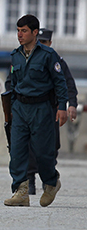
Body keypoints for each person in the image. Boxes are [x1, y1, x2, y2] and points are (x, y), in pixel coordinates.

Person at [4, 14, 68, 207]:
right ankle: (21, 191)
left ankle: (50, 183)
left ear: (34, 33)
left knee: (43, 152)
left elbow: (60, 82)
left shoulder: (48, 55)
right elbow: (12, 84)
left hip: (42, 108)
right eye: (18, 31)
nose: (19, 35)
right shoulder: (15, 55)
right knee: (17, 151)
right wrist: (11, 108)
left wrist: (63, 107)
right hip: (20, 109)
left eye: (24, 31)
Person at [26, 28, 77, 195]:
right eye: (39, 42)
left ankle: (48, 179)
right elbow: (12, 82)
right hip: (31, 109)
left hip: (51, 109)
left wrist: (71, 105)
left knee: (51, 146)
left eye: (45, 42)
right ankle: (30, 180)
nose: (41, 45)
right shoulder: (26, 58)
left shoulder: (57, 61)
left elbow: (68, 84)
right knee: (30, 146)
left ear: (50, 43)